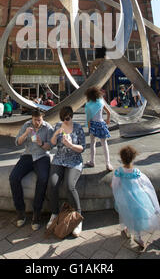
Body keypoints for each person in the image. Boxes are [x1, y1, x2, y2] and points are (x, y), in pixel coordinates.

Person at [112, 145, 160, 249]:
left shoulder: (119, 172)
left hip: (125, 197)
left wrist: (116, 193)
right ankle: (138, 236)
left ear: (121, 159)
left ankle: (128, 230)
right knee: (136, 217)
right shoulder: (136, 172)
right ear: (133, 158)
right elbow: (144, 183)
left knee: (125, 213)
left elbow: (115, 184)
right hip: (137, 197)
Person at [9, 108, 54, 231]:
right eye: (35, 120)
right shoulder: (27, 125)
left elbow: (50, 146)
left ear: (42, 118)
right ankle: (20, 211)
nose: (37, 123)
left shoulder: (48, 128)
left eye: (39, 120)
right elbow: (17, 142)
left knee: (43, 179)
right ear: (32, 119)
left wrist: (41, 143)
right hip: (28, 155)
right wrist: (25, 134)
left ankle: (37, 212)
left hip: (42, 156)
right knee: (13, 177)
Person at [47, 106, 86, 237]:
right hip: (59, 159)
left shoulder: (78, 128)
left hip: (74, 160)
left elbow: (82, 148)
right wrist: (55, 134)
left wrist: (70, 145)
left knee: (70, 186)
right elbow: (52, 144)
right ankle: (54, 213)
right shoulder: (59, 125)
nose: (66, 121)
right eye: (63, 119)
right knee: (52, 184)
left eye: (68, 118)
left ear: (72, 116)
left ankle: (78, 217)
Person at [84, 87, 113, 171]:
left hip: (93, 125)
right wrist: (107, 120)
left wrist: (90, 128)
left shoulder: (88, 105)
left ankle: (92, 161)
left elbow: (88, 118)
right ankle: (108, 164)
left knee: (92, 143)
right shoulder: (100, 102)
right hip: (101, 124)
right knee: (104, 144)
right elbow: (109, 112)